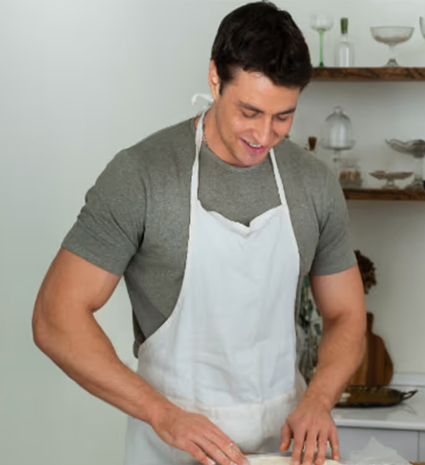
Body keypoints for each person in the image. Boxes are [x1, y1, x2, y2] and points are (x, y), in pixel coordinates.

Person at [32, 3, 367, 465]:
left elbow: (347, 314)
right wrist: (162, 414)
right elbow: (56, 317)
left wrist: (319, 399)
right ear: (214, 78)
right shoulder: (142, 176)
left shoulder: (313, 183)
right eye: (249, 111)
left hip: (283, 447)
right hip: (170, 448)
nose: (263, 135)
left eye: (282, 117)